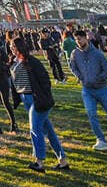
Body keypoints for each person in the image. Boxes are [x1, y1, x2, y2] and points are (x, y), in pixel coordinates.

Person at [11, 37, 68, 172]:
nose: (12, 49)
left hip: (36, 98)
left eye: (14, 46)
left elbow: (45, 80)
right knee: (48, 130)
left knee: (35, 129)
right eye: (11, 46)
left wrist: (42, 96)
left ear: (20, 47)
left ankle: (39, 161)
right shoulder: (14, 61)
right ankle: (63, 160)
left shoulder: (32, 61)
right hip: (25, 98)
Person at [69, 30, 107, 153]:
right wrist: (80, 77)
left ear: (86, 38)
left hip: (102, 89)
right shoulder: (75, 53)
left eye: (80, 39)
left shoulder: (98, 54)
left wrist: (97, 79)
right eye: (76, 39)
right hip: (87, 90)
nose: (78, 41)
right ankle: (101, 140)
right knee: (91, 115)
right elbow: (72, 67)